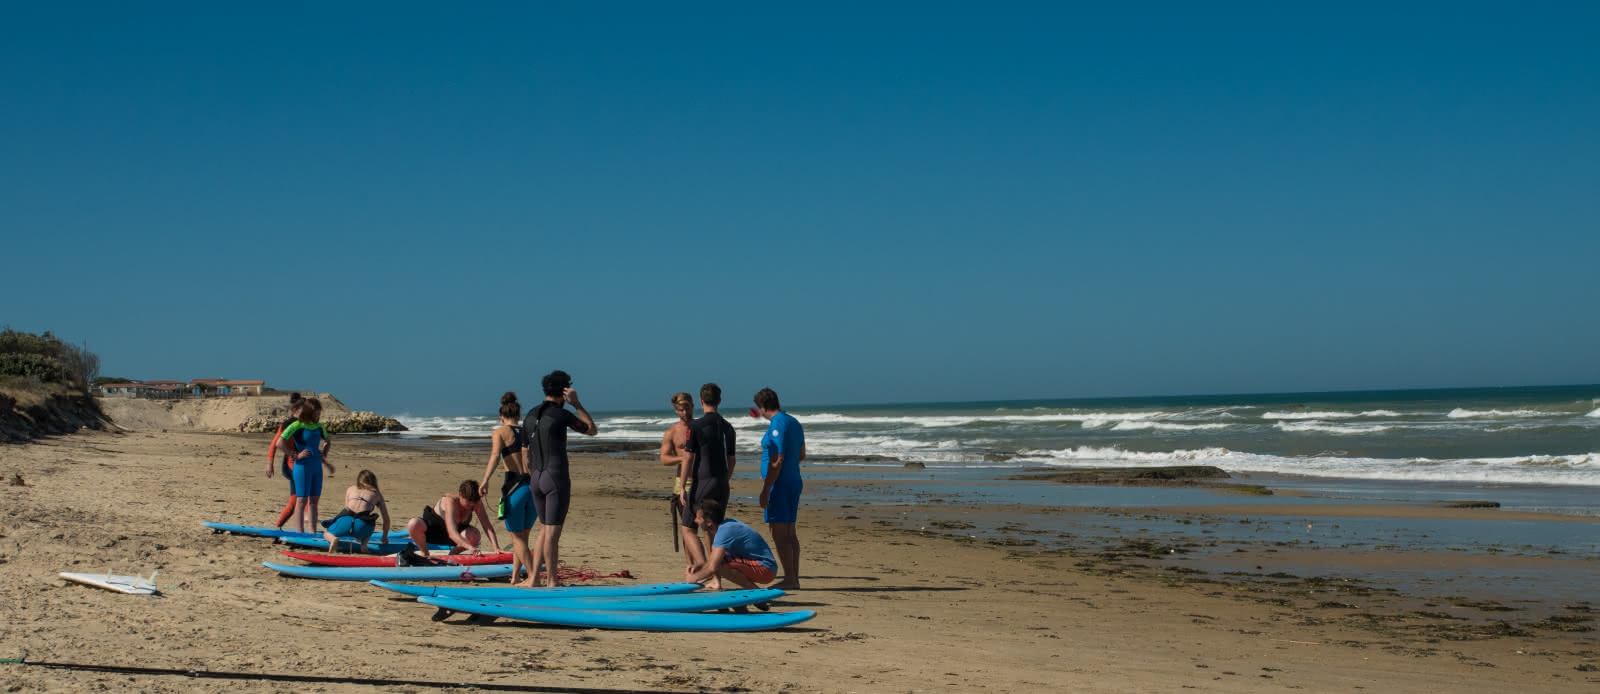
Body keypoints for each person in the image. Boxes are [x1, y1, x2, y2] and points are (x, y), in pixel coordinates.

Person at [520, 370, 597, 586]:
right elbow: (592, 430)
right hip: (556, 478)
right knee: (553, 532)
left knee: (544, 528)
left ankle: (534, 578)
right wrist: (577, 405)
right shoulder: (561, 414)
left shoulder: (530, 415)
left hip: (535, 478)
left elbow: (525, 451)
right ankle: (552, 580)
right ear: (565, 391)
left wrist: (532, 472)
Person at [679, 382, 735, 586]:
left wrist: (683, 486)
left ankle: (704, 568)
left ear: (701, 401)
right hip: (722, 483)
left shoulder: (696, 426)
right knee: (711, 530)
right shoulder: (728, 427)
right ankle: (715, 580)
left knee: (688, 528)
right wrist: (724, 480)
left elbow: (687, 458)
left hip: (702, 483)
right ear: (719, 401)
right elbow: (731, 460)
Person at [479, 392, 536, 585]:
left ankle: (532, 577)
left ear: (501, 417)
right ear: (519, 416)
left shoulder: (500, 433)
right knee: (523, 537)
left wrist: (485, 480)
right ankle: (515, 577)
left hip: (515, 488)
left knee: (517, 538)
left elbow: (495, 457)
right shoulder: (528, 432)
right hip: (534, 489)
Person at [755, 387, 805, 590]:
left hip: (780, 484)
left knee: (779, 532)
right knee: (790, 531)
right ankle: (794, 576)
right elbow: (801, 454)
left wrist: (767, 487)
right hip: (793, 479)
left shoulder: (777, 424)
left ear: (761, 407)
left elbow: (777, 459)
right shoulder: (794, 422)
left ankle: (791, 578)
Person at [685, 499, 777, 594]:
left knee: (720, 564)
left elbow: (713, 567)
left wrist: (694, 578)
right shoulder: (724, 527)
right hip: (762, 566)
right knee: (719, 561)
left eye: (698, 518)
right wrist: (702, 566)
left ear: (709, 522)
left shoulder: (724, 532)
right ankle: (751, 593)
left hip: (766, 569)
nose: (695, 521)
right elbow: (712, 563)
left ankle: (755, 592)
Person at [279, 398, 334, 533]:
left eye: (319, 413)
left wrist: (324, 453)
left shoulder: (320, 427)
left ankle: (313, 532)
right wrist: (295, 455)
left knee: (314, 502)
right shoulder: (297, 425)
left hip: (316, 468)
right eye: (316, 413)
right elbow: (280, 443)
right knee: (301, 501)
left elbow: (327, 441)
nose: (318, 416)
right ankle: (300, 532)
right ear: (309, 412)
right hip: (302, 467)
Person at [406, 480, 499, 556]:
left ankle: (454, 554)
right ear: (460, 495)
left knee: (474, 534)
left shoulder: (476, 502)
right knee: (413, 523)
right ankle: (425, 552)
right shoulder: (450, 500)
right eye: (468, 503)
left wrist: (496, 547)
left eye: (473, 504)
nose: (472, 506)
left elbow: (486, 525)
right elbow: (452, 532)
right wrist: (470, 547)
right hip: (434, 531)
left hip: (456, 538)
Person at [658, 392, 695, 569]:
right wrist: (684, 459)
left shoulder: (701, 427)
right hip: (683, 484)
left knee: (710, 528)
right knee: (688, 529)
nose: (685, 413)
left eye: (687, 408)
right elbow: (664, 459)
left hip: (703, 482)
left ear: (693, 406)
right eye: (681, 410)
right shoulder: (672, 432)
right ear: (676, 410)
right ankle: (690, 565)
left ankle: (711, 566)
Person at [323, 469, 391, 552]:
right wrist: (384, 537)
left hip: (345, 522)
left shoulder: (350, 489)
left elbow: (346, 509)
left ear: (359, 480)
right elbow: (386, 520)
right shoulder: (376, 493)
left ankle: (333, 539)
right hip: (362, 526)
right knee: (371, 520)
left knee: (326, 532)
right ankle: (364, 544)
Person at [264, 393, 303, 528]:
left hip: (300, 465)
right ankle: (306, 525)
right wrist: (270, 463)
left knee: (293, 503)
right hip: (290, 466)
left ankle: (277, 527)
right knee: (305, 497)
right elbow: (275, 443)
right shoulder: (288, 424)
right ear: (294, 410)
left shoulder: (306, 425)